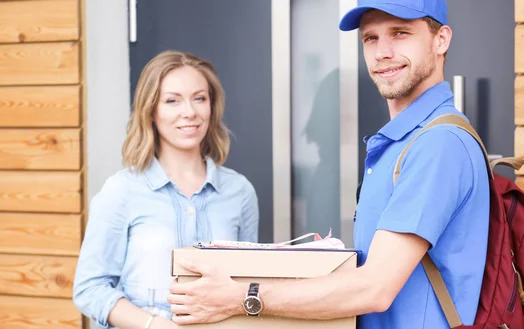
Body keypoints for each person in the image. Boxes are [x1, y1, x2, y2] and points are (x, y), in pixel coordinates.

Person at [167, 1, 490, 328]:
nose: (382, 52)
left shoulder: (438, 144)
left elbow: (374, 288)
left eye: (400, 33)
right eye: (370, 38)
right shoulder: (400, 142)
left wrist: (242, 296)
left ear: (441, 40)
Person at [72, 50, 259, 329]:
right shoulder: (121, 191)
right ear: (151, 111)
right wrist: (156, 325)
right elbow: (89, 289)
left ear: (212, 106)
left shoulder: (239, 192)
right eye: (172, 100)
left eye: (200, 98)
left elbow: (249, 286)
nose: (190, 112)